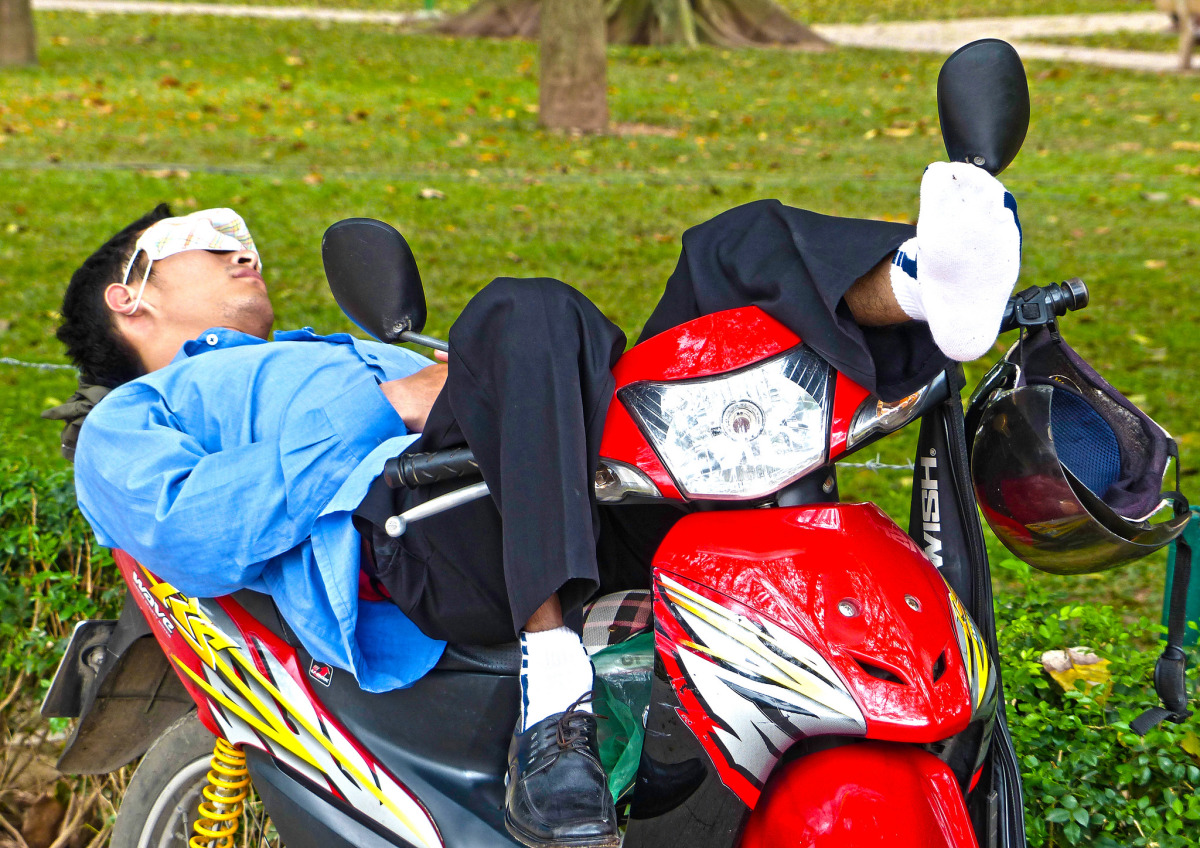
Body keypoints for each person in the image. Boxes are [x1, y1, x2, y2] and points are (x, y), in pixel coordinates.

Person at [49, 161, 1020, 848]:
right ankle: (554, 692)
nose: (241, 245)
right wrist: (383, 401)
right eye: (203, 240)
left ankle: (919, 282)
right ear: (129, 301)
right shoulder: (143, 413)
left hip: (571, 480)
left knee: (730, 251)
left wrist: (462, 375)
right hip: (424, 531)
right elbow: (197, 527)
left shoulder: (351, 346)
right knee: (525, 305)